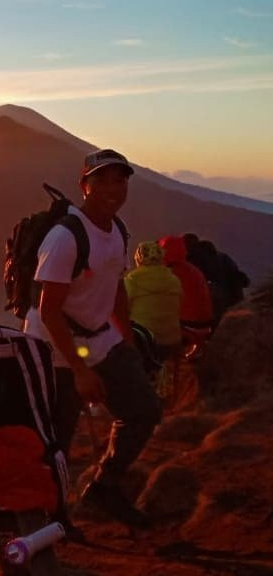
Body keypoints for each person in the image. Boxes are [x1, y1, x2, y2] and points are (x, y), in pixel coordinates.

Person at [23, 149, 161, 526]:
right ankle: (53, 519)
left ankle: (104, 489)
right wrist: (81, 370)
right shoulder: (65, 237)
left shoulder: (116, 230)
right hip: (54, 347)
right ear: (84, 185)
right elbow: (49, 310)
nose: (112, 188)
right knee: (58, 440)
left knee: (144, 410)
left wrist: (126, 338)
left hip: (101, 338)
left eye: (120, 180)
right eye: (101, 179)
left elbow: (114, 285)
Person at [124, 242, 183, 353]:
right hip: (171, 340)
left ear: (138, 258)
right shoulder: (174, 280)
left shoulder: (131, 281)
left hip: (144, 340)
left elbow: (123, 309)